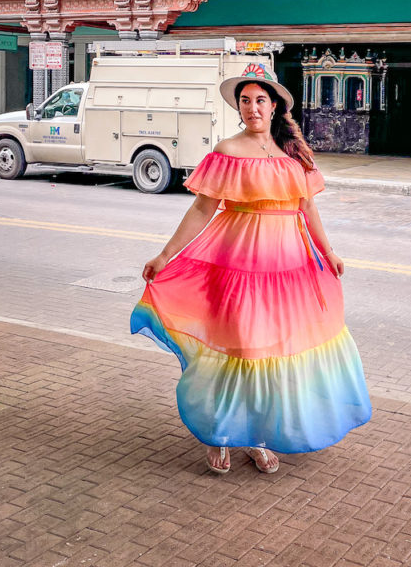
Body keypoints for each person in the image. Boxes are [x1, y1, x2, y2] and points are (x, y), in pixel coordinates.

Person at [131, 63, 371, 475]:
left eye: (260, 100)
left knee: (273, 354)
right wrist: (165, 255)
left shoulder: (295, 153)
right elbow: (203, 207)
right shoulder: (228, 150)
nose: (252, 108)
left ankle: (258, 436)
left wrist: (327, 252)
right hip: (236, 265)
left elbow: (307, 206)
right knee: (238, 351)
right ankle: (220, 433)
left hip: (289, 267)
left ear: (275, 106)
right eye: (245, 101)